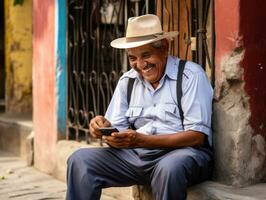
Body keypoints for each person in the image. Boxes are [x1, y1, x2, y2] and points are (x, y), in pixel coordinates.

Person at [66, 14, 213, 200]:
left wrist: (140, 140)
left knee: (169, 168)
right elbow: (117, 130)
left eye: (146, 55)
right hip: (137, 156)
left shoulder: (190, 76)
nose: (140, 65)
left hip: (182, 155)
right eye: (132, 58)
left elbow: (196, 137)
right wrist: (103, 128)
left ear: (165, 48)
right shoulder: (127, 81)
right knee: (80, 161)